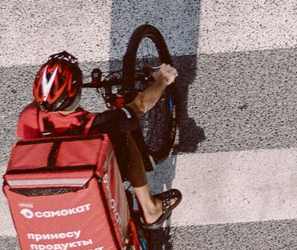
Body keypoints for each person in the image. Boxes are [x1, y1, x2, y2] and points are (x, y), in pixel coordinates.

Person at [19, 51, 182, 227]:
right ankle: (150, 209)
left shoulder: (28, 118)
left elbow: (38, 106)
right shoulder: (98, 124)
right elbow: (140, 105)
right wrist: (163, 79)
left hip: (52, 194)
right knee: (124, 136)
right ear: (77, 92)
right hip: (89, 186)